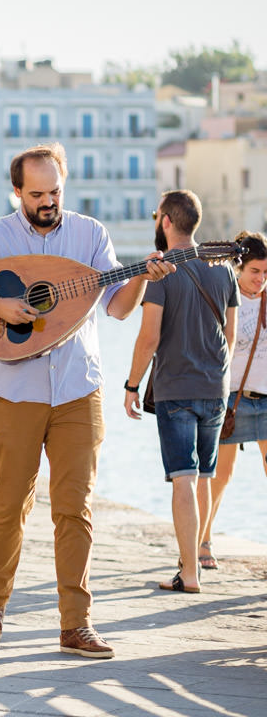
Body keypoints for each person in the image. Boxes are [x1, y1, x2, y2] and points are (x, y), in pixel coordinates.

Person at [0, 142, 173, 659]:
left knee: (74, 507)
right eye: (36, 193)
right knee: (8, 503)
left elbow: (118, 308)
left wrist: (140, 279)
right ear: (16, 191)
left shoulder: (90, 234)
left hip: (78, 389)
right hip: (13, 389)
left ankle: (76, 623)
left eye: (55, 191)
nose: (47, 201)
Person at [123, 190, 237, 594]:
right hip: (215, 388)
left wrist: (132, 384)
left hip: (176, 389)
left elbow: (148, 338)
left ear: (167, 222)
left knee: (184, 478)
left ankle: (188, 574)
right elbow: (231, 335)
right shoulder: (223, 270)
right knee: (205, 475)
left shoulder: (161, 271)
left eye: (158, 216)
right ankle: (198, 558)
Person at [206, 231, 267, 567]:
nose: (260, 279)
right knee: (221, 475)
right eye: (255, 271)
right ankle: (203, 539)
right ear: (240, 267)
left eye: (265, 273)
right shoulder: (227, 297)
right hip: (233, 401)